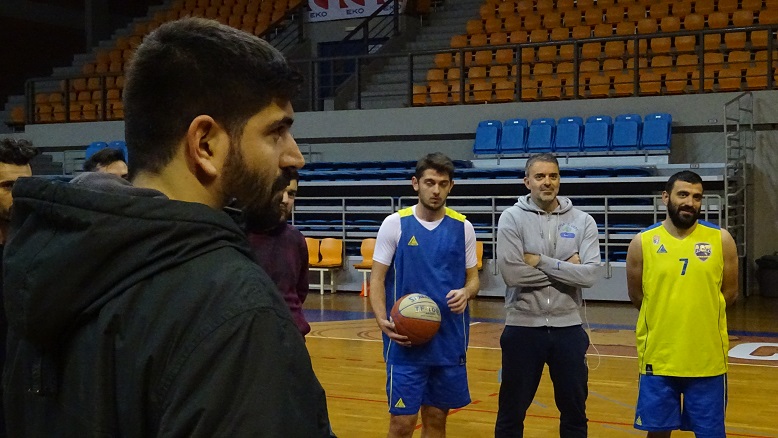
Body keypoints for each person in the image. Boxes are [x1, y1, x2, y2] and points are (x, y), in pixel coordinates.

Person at [3, 18, 330, 437]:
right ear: (205, 144)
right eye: (276, 131)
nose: (295, 156)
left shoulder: (42, 266)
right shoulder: (235, 307)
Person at [369, 152, 480, 438]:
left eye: (443, 184)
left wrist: (466, 292)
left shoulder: (464, 227)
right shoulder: (395, 224)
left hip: (448, 341)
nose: (436, 190)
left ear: (451, 186)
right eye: (430, 182)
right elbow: (377, 279)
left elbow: (474, 279)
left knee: (436, 421)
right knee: (402, 424)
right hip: (405, 341)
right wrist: (381, 320)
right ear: (415, 183)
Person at [494, 153, 602, 438]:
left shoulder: (583, 221)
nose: (547, 182)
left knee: (575, 413)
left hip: (569, 329)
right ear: (527, 181)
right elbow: (512, 275)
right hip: (522, 327)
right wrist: (568, 267)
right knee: (511, 414)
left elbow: (590, 275)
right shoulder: (511, 218)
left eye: (553, 176)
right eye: (540, 176)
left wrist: (540, 261)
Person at [626, 171, 739, 438]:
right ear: (666, 197)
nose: (690, 202)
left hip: (707, 359)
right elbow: (637, 296)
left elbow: (730, 294)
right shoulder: (642, 242)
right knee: (657, 432)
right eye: (683, 195)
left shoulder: (721, 239)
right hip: (659, 359)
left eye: (697, 197)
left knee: (711, 433)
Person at [0, 138, 38, 438]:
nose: (19, 196)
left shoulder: (40, 246)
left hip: (24, 389)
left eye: (24, 186)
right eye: (8, 186)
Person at [246, 170, 310, 336]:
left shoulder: (295, 238)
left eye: (291, 194)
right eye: (279, 191)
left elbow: (300, 290)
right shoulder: (238, 235)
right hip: (252, 335)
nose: (285, 200)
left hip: (291, 335)